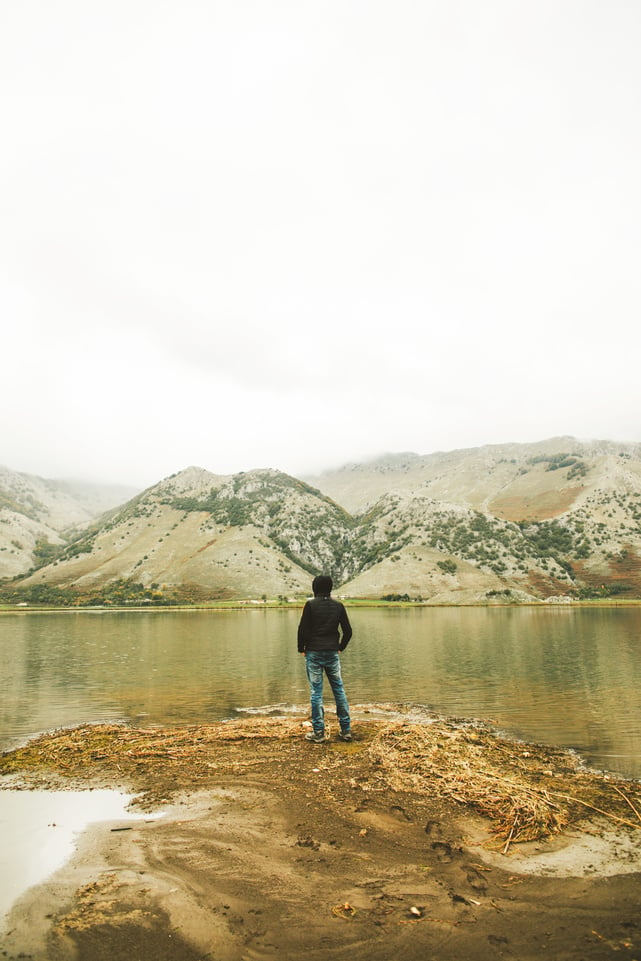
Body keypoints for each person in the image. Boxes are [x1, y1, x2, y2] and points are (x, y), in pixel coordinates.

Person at [297, 574, 352, 743]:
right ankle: (346, 730)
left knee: (316, 692)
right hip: (332, 653)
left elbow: (302, 629)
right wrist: (340, 648)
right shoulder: (338, 606)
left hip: (313, 652)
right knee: (339, 690)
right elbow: (348, 631)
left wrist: (302, 648)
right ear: (330, 588)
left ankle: (319, 732)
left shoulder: (311, 605)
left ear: (315, 588)